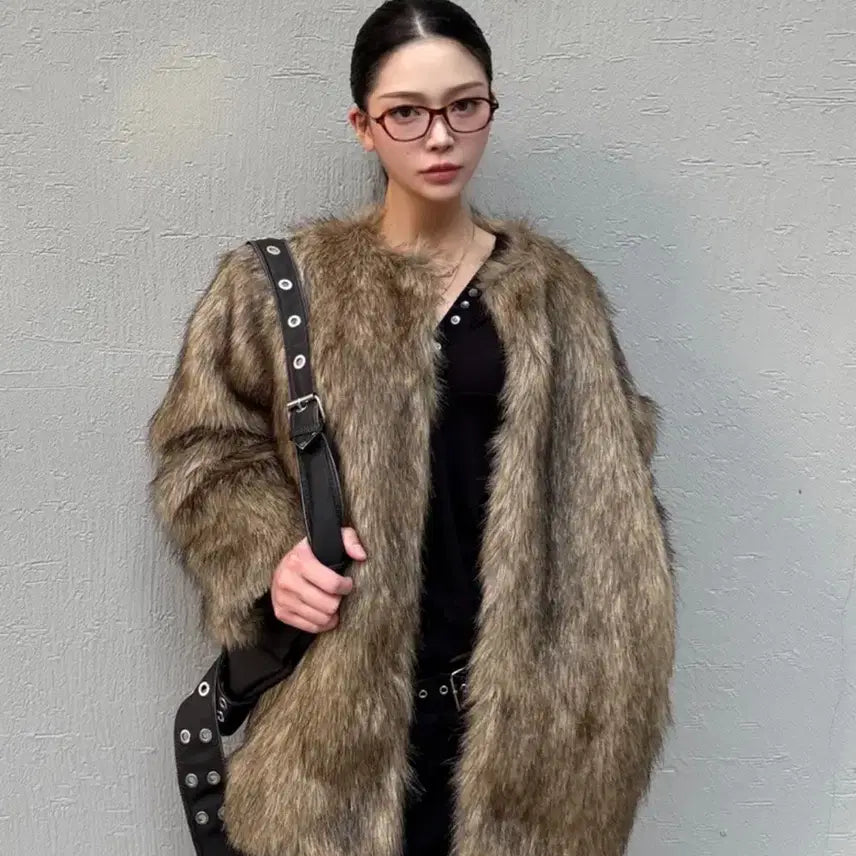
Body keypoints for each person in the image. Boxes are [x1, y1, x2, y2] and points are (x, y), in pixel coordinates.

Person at [146, 2, 677, 855]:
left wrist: (605, 697)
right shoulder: (277, 288)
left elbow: (616, 513)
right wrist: (268, 557)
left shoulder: (556, 297)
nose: (440, 136)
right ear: (363, 126)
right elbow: (201, 451)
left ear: (490, 108)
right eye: (407, 112)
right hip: (333, 737)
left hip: (522, 750)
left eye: (465, 106)